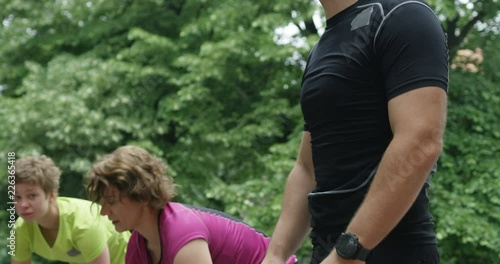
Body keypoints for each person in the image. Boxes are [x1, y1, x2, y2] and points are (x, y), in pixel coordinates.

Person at [262, 0, 448, 263]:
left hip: (387, 252)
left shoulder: (403, 15)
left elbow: (420, 141)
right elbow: (307, 167)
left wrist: (348, 254)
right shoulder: (322, 47)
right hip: (329, 252)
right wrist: (275, 255)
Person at [86, 145, 297, 264]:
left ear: (139, 195)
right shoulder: (136, 248)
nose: (104, 211)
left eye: (111, 201)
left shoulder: (181, 231)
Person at [12, 156, 130, 264]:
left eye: (32, 196)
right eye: (17, 197)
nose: (23, 204)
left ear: (51, 195)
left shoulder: (84, 225)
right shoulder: (20, 229)